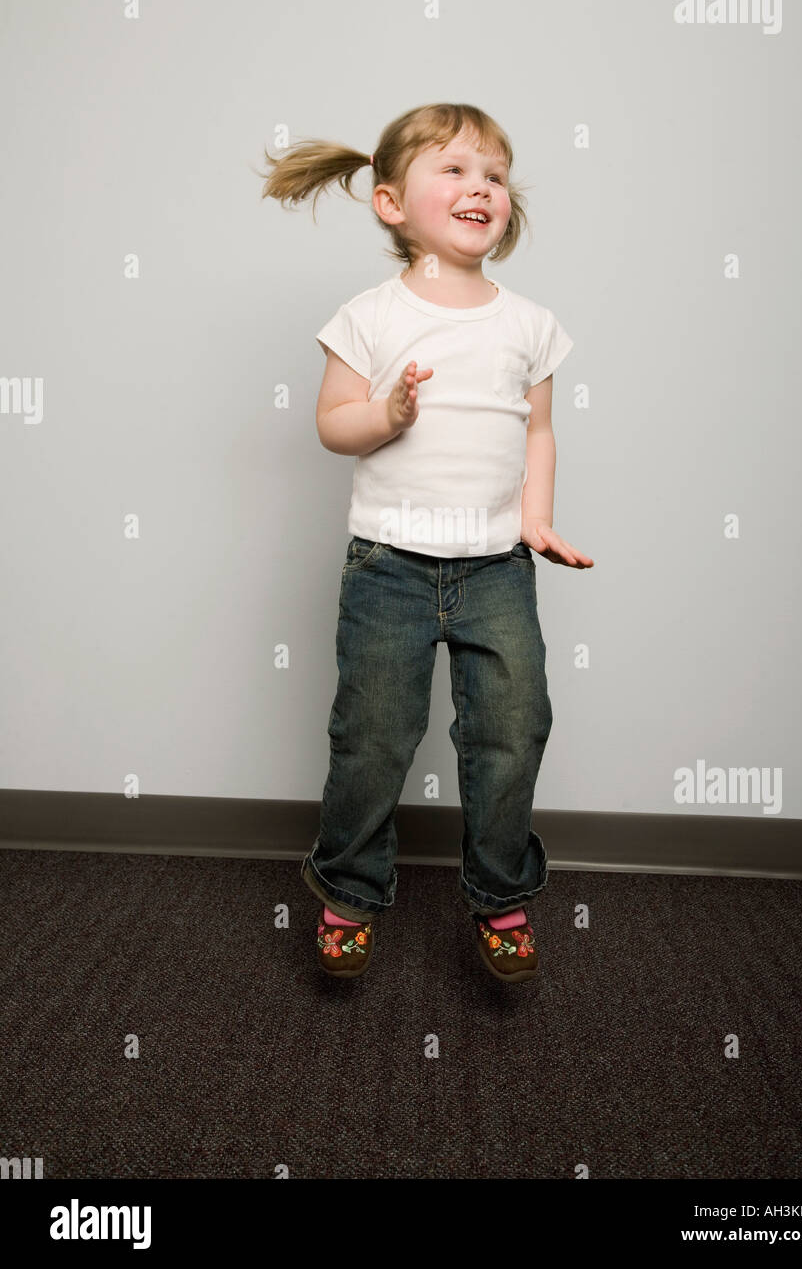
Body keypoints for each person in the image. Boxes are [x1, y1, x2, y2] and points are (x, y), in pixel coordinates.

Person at [259, 102, 593, 982]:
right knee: (373, 736)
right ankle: (349, 892)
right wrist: (389, 412)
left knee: (513, 731)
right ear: (390, 203)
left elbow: (540, 435)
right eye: (455, 169)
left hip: (496, 568)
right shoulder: (366, 317)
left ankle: (500, 896)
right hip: (389, 567)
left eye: (494, 175)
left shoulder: (530, 324)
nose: (481, 186)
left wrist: (535, 518)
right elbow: (333, 425)